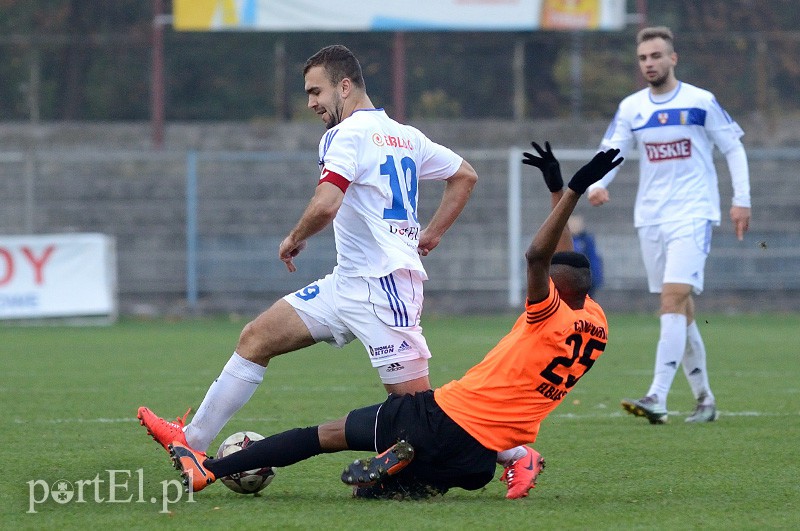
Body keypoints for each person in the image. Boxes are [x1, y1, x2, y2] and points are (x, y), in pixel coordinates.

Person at [166, 144, 623, 500]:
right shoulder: (595, 323)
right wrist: (557, 187)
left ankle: (209, 469)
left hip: (439, 417)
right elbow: (563, 258)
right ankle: (405, 467)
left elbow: (540, 255)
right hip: (475, 462)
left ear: (553, 290)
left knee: (320, 437)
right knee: (369, 493)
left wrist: (574, 190)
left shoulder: (546, 312)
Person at [137, 45, 478, 465]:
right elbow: (464, 174)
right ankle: (192, 440)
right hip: (348, 283)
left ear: (345, 86)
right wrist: (432, 234)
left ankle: (513, 452)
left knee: (420, 416)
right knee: (256, 337)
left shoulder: (345, 134)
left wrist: (295, 237)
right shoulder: (405, 135)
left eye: (316, 92)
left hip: (384, 289)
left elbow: (326, 203)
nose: (312, 103)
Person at [586, 26, 752, 424]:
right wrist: (597, 183)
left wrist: (741, 199)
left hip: (693, 214)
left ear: (672, 58)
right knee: (681, 309)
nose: (650, 64)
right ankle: (705, 400)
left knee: (671, 301)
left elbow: (733, 146)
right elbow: (613, 150)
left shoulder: (701, 101)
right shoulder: (631, 108)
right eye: (643, 58)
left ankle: (657, 395)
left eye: (657, 56)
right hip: (651, 218)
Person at [568, 215, 603, 298]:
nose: (575, 227)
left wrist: (596, 277)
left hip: (587, 277)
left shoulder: (587, 240)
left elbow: (593, 258)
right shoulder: (566, 240)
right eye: (573, 224)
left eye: (577, 224)